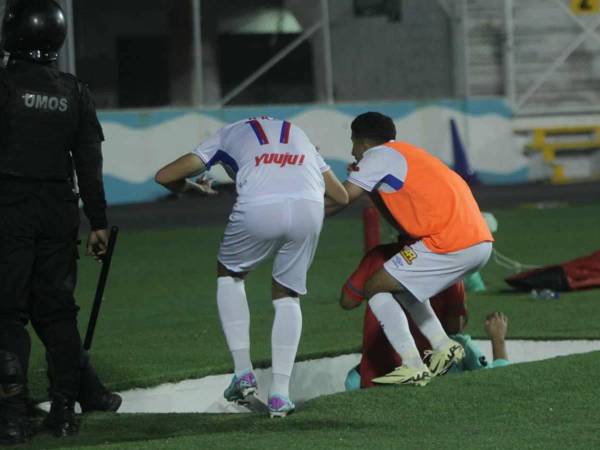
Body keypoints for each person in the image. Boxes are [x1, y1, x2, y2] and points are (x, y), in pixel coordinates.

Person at [155, 116, 348, 417]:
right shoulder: (297, 133)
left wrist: (192, 189)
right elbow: (341, 196)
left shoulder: (227, 134)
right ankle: (280, 396)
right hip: (310, 208)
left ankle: (243, 373)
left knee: (230, 274)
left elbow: (165, 176)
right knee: (288, 294)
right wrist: (302, 219)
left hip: (260, 206)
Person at [0, 0, 118, 444]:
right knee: (57, 313)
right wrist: (99, 222)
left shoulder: (4, 85)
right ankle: (65, 412)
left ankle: (12, 416)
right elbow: (89, 164)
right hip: (59, 211)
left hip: (9, 207)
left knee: (7, 313)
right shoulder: (75, 91)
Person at [327, 112, 494, 386]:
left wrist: (299, 210)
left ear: (364, 144)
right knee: (397, 284)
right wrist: (370, 189)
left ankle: (413, 364)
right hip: (476, 242)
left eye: (353, 143)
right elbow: (401, 224)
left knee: (375, 287)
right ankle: (443, 345)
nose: (352, 151)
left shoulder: (376, 157)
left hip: (448, 243)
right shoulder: (406, 154)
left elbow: (339, 200)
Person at [339, 243, 508, 390]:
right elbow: (454, 327)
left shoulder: (376, 256)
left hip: (373, 378)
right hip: (428, 377)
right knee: (459, 345)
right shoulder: (447, 265)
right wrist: (497, 339)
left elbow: (347, 301)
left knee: (353, 378)